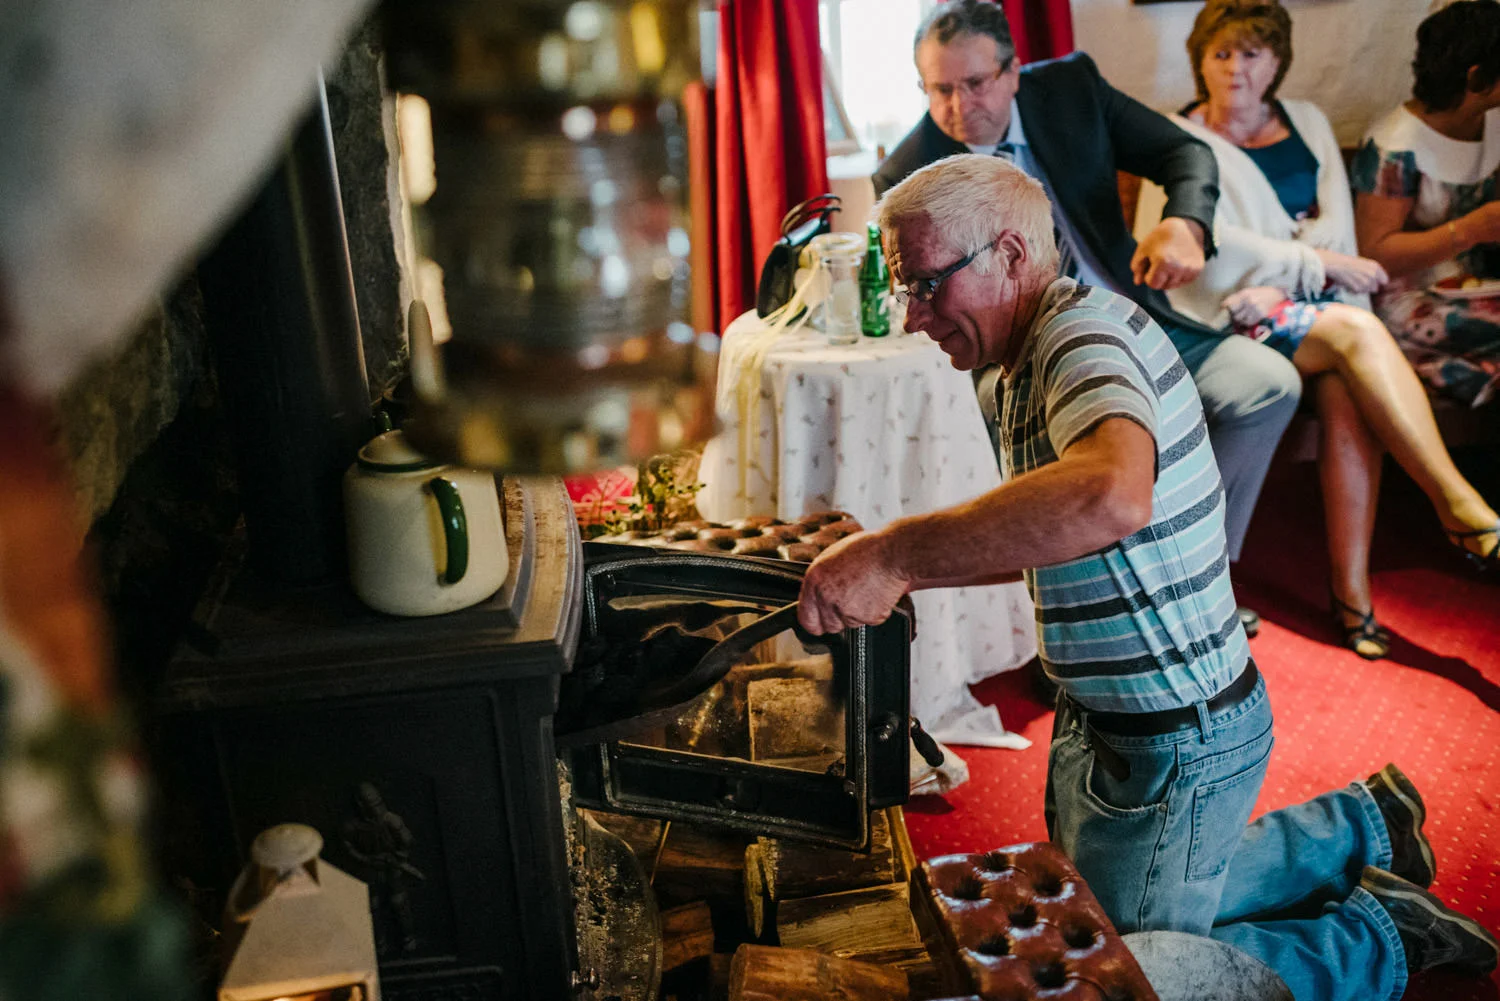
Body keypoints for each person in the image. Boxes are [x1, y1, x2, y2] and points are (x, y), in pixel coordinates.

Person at [798, 153, 1498, 1000]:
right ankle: (1357, 828)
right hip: (1118, 718)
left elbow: (1110, 493)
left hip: (1177, 733)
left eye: (927, 285)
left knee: (1122, 976)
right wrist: (891, 563)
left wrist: (897, 555)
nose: (914, 316)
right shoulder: (1006, 364)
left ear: (1012, 256)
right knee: (1107, 910)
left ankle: (1375, 935)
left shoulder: (1078, 335)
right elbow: (1054, 529)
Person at [874, 0, 1302, 637]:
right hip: (1011, 356)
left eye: (976, 83)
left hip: (1132, 316)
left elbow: (1185, 155)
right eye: (940, 90)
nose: (961, 108)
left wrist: (1185, 223)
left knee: (1268, 384)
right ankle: (1065, 614)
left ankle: (1199, 573)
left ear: (1014, 71)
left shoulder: (1071, 90)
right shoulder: (907, 171)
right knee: (1020, 428)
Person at [1133, 0, 1499, 658]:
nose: (1237, 69)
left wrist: (1285, 274)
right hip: (1226, 321)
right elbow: (1188, 255)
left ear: (1278, 62)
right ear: (1200, 62)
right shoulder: (1176, 139)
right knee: (1356, 337)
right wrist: (1301, 264)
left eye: (1253, 54)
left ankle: (1352, 595)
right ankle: (1456, 501)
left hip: (1305, 309)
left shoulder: (1305, 121)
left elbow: (1340, 233)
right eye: (1222, 54)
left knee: (1345, 390)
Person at [1353, 0, 1500, 430]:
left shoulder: (1491, 123)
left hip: (1480, 284)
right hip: (1412, 296)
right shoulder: (1395, 146)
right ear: (1476, 77)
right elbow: (1376, 253)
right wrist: (1473, 228)